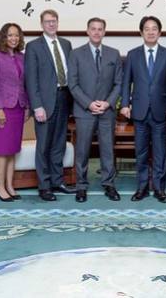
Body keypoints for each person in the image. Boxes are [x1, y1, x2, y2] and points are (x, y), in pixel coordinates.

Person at [120, 15, 166, 203]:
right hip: (139, 111)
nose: (151, 32)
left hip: (161, 110)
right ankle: (142, 187)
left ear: (159, 33)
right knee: (141, 151)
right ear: (141, 32)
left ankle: (159, 189)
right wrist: (125, 104)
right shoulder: (133, 54)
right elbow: (126, 82)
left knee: (161, 152)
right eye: (147, 29)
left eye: (154, 29)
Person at [68, 17, 123, 203]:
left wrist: (107, 103)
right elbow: (73, 84)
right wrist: (89, 103)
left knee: (107, 149)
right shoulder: (76, 54)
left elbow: (118, 83)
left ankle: (109, 184)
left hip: (107, 111)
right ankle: (81, 186)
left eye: (100, 29)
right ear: (87, 31)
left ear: (104, 32)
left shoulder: (114, 54)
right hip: (84, 111)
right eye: (93, 29)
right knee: (82, 150)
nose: (97, 32)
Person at [24, 9, 75, 202]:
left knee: (59, 144)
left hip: (64, 98)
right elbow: (31, 79)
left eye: (54, 21)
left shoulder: (66, 44)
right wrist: (37, 106)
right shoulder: (33, 46)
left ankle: (57, 181)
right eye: (47, 21)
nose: (51, 24)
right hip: (44, 103)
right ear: (41, 24)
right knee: (44, 145)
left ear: (58, 22)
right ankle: (44, 186)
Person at [0, 23, 29, 202]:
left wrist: (27, 106)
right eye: (10, 35)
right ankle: (0, 186)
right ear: (3, 37)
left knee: (12, 150)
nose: (14, 38)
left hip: (18, 108)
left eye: (16, 35)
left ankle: (10, 185)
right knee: (2, 150)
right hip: (2, 109)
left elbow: (24, 84)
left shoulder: (22, 57)